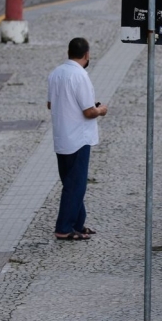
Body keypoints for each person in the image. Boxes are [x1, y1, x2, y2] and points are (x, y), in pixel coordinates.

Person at [47, 37, 107, 241]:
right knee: (76, 185)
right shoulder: (79, 76)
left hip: (61, 136)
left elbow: (50, 104)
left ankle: (77, 223)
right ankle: (64, 227)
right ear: (87, 54)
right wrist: (101, 110)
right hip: (78, 138)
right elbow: (89, 111)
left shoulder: (55, 73)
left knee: (70, 182)